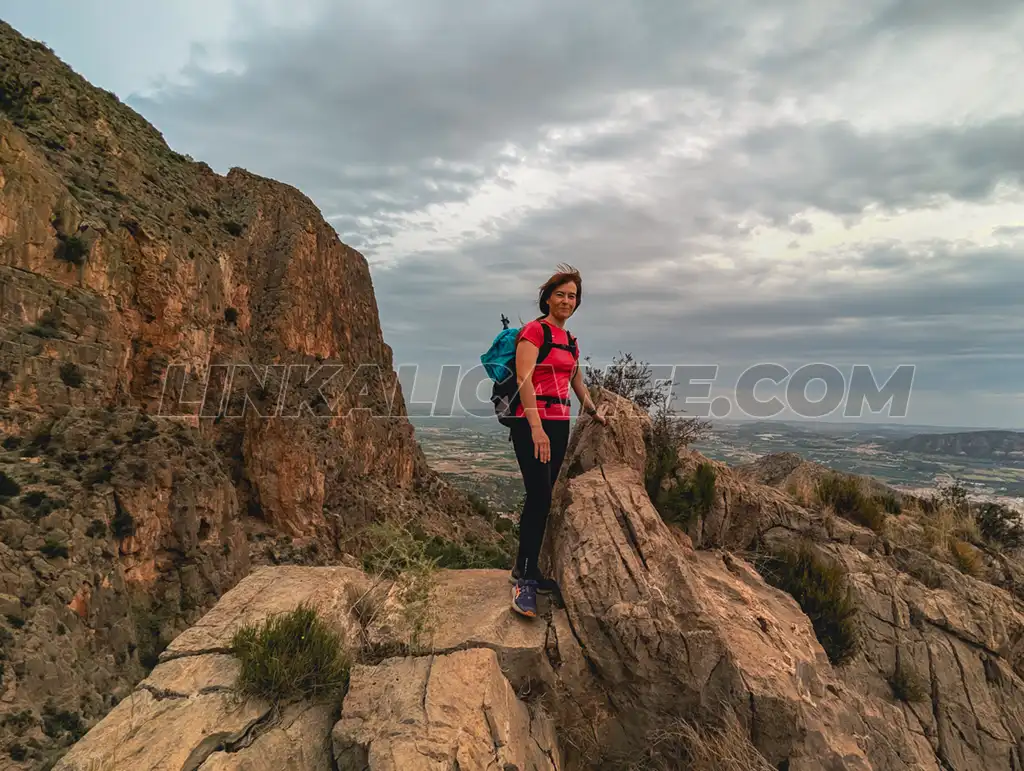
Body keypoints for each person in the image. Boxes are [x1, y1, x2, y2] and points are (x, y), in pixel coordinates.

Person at [509, 264, 607, 618]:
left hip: (559, 422)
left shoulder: (570, 340)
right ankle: (523, 578)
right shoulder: (534, 332)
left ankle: (529, 568)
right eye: (560, 294)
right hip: (531, 423)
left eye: (572, 296)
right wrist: (535, 428)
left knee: (544, 496)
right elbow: (523, 379)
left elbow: (576, 378)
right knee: (539, 495)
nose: (566, 301)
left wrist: (592, 409)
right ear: (547, 298)